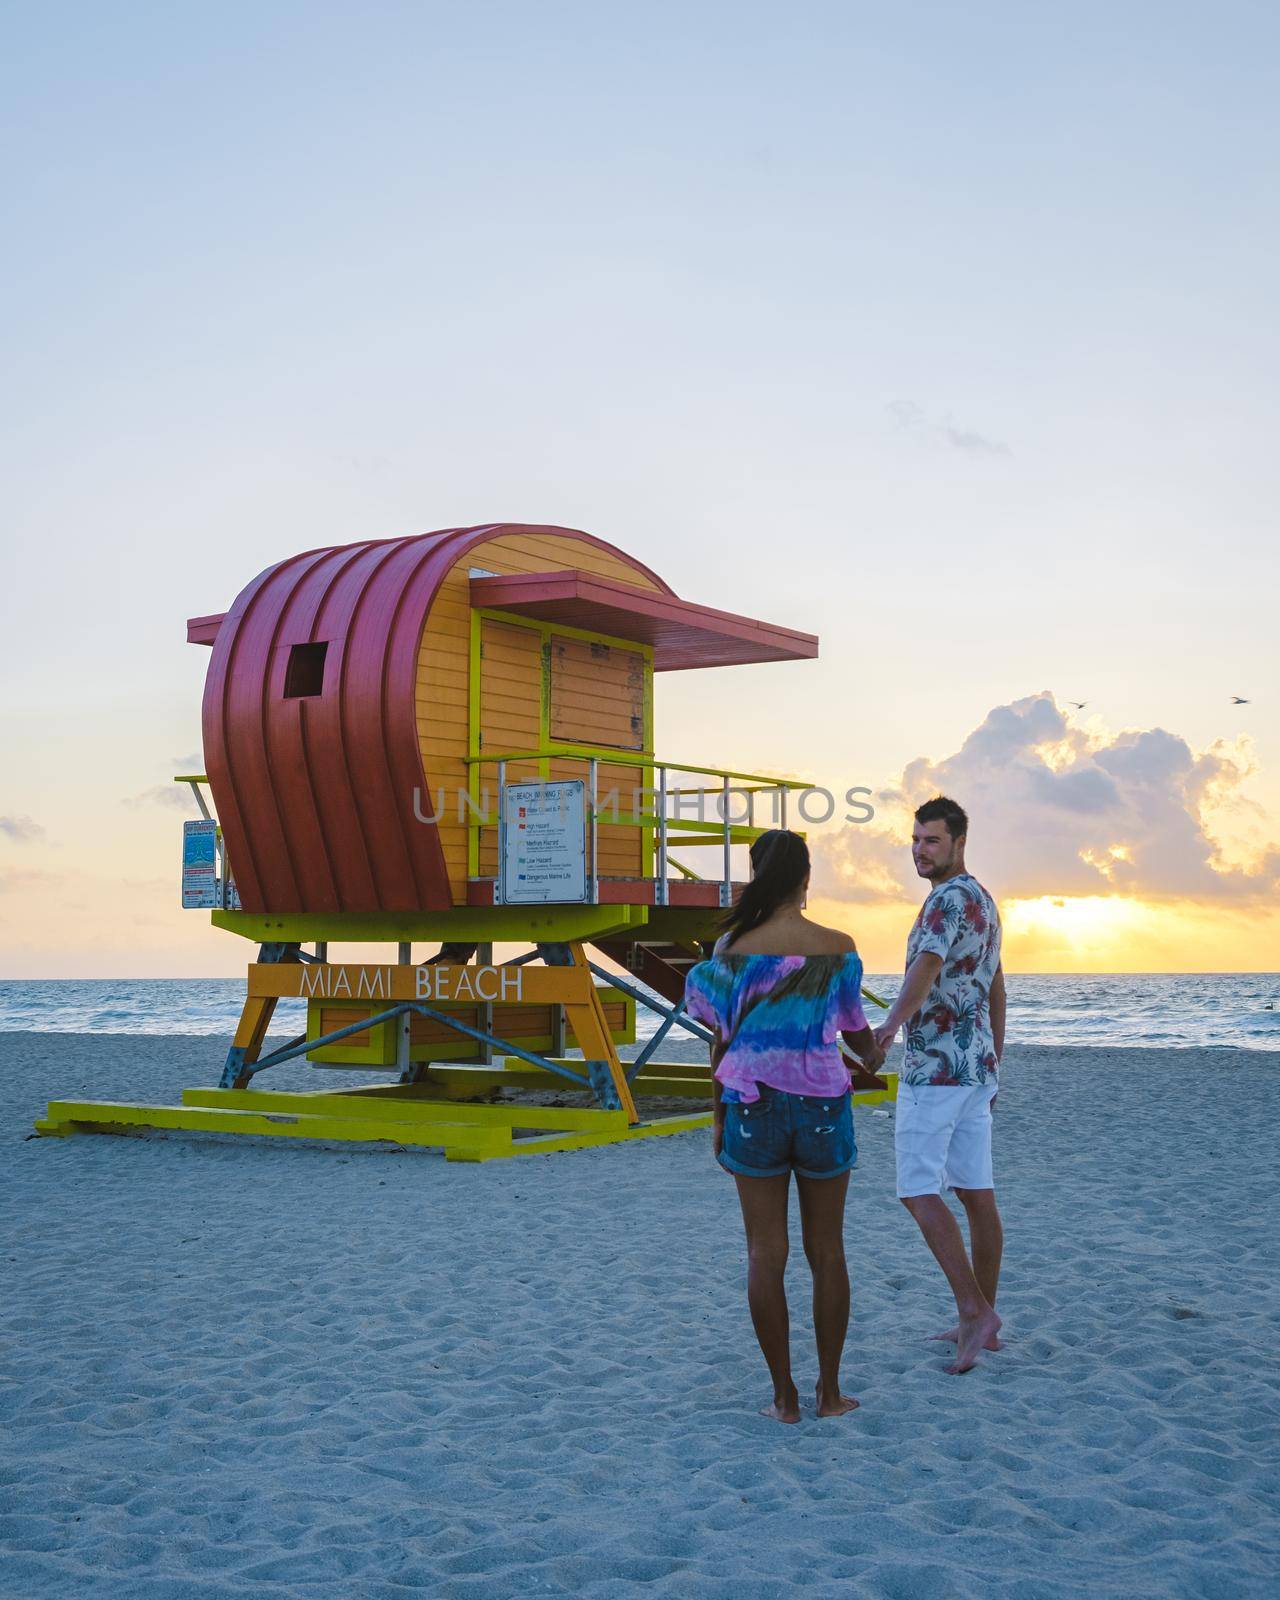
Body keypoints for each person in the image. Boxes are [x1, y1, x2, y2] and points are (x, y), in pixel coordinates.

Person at [683, 829, 887, 1424]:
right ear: (804, 880)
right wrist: (877, 1049)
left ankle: (784, 1397)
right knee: (827, 1252)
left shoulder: (731, 949)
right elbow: (856, 1035)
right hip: (824, 1105)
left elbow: (720, 1042)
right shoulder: (838, 947)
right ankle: (830, 1392)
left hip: (752, 1104)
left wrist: (717, 1116)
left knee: (763, 1253)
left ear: (757, 876)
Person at [873, 796, 1006, 1374]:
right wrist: (996, 1056)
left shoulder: (944, 903)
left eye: (931, 840)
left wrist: (885, 1029)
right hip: (974, 1069)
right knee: (976, 1192)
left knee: (917, 1188)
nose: (920, 850)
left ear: (958, 843)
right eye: (916, 839)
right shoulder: (982, 900)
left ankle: (975, 1310)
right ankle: (984, 1318)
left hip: (936, 1070)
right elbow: (995, 984)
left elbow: (925, 969)